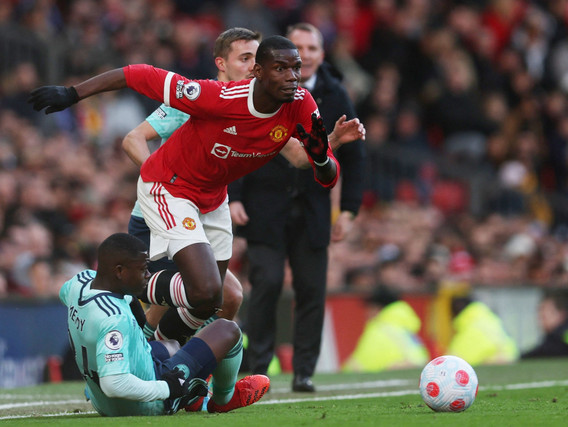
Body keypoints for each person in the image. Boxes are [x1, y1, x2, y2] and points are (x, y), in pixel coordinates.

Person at [30, 36, 364, 347]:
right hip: (170, 187)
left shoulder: (301, 103)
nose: (293, 76)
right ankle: (108, 285)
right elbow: (139, 75)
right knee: (204, 289)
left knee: (212, 299)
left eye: (296, 69)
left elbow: (324, 173)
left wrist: (323, 154)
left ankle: (165, 350)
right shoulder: (215, 97)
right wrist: (73, 93)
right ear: (257, 72)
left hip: (213, 197)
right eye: (281, 68)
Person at [123, 28, 367, 342]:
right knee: (190, 293)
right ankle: (143, 356)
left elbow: (298, 156)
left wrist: (329, 141)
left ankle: (178, 365)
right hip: (162, 212)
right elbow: (133, 139)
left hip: (204, 212)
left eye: (257, 57)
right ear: (222, 63)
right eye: (246, 58)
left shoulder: (263, 108)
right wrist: (170, 186)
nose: (254, 65)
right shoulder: (196, 97)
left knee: (228, 297)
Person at [227, 23, 365, 392]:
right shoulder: (257, 88)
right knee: (267, 283)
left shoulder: (336, 94)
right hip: (264, 203)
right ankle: (257, 368)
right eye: (295, 47)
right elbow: (238, 137)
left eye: (310, 49)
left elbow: (355, 157)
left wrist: (349, 209)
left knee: (310, 290)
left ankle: (303, 371)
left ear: (319, 54)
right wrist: (235, 194)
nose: (300, 57)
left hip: (314, 208)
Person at [60, 232, 269, 416]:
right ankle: (223, 400)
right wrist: (167, 388)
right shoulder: (114, 319)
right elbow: (114, 384)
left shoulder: (80, 283)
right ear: (119, 271)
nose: (148, 274)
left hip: (102, 400)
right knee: (228, 329)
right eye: (143, 269)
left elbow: (67, 295)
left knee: (171, 346)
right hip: (142, 405)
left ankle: (193, 395)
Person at [341, 285, 429, 373]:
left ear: (376, 308)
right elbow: (421, 359)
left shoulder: (378, 329)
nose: (366, 314)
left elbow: (358, 366)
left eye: (369, 308)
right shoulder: (403, 328)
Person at [447, 296, 520, 365]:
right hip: (511, 357)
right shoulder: (488, 317)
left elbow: (451, 361)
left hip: (491, 364)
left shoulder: (467, 326)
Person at [521, 288, 568, 358]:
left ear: (561, 314)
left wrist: (522, 358)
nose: (540, 319)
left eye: (544, 315)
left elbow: (549, 349)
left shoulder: (558, 337)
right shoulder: (553, 337)